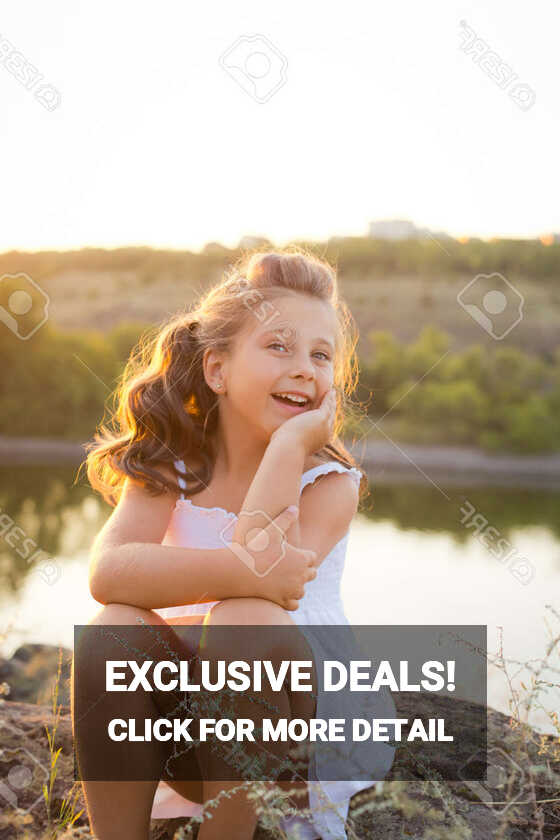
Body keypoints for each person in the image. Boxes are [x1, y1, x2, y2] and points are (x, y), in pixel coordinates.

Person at [73, 247, 396, 840]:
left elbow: (265, 566)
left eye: (321, 355)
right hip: (197, 735)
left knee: (246, 616)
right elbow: (110, 573)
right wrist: (240, 574)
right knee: (111, 628)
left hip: (296, 733)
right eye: (279, 346)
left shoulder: (326, 483)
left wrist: (291, 446)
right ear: (217, 370)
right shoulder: (169, 468)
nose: (305, 368)